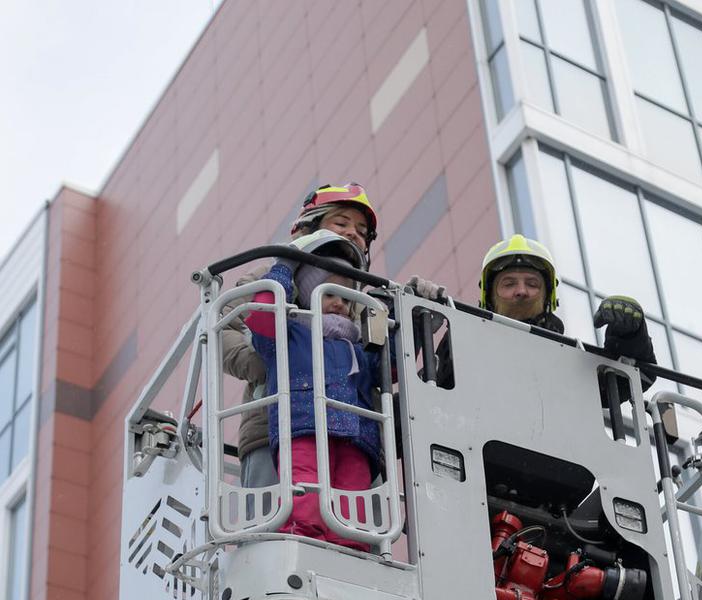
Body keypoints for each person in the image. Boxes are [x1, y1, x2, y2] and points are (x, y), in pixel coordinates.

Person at [222, 183, 379, 488]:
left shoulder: (364, 303)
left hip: (354, 433)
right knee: (278, 515)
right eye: (341, 223)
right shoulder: (270, 276)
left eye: (362, 231)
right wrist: (273, 363)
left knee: (352, 524)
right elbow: (225, 328)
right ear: (309, 228)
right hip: (274, 425)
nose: (353, 234)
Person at [244, 230, 381, 552]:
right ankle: (304, 538)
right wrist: (284, 268)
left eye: (347, 298)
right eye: (328, 293)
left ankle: (352, 549)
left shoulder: (356, 345)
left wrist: (408, 324)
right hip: (303, 424)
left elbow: (383, 371)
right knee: (305, 485)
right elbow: (262, 316)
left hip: (357, 434)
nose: (339, 303)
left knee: (353, 494)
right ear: (306, 295)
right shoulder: (291, 332)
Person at [407, 233, 656, 386]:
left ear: (549, 297)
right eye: (509, 283)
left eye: (532, 284)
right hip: (478, 464)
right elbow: (416, 405)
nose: (521, 291)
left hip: (555, 469)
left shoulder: (570, 360)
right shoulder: (460, 347)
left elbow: (632, 381)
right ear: (488, 297)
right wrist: (411, 317)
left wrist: (630, 336)